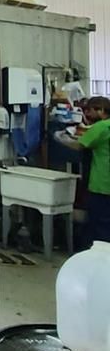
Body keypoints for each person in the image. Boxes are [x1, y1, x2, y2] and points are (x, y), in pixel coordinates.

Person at [56, 96, 110, 243]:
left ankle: (94, 256)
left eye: (89, 111)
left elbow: (80, 145)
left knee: (99, 224)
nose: (87, 115)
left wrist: (60, 137)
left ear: (100, 110)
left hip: (102, 184)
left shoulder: (101, 127)